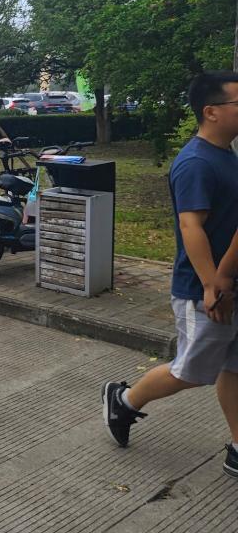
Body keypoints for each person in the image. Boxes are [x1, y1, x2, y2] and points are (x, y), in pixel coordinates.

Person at [102, 71, 238, 479]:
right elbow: (190, 226)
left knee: (235, 366)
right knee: (190, 371)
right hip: (204, 289)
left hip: (228, 284)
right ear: (211, 112)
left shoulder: (226, 154)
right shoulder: (196, 162)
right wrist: (213, 283)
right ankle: (124, 401)